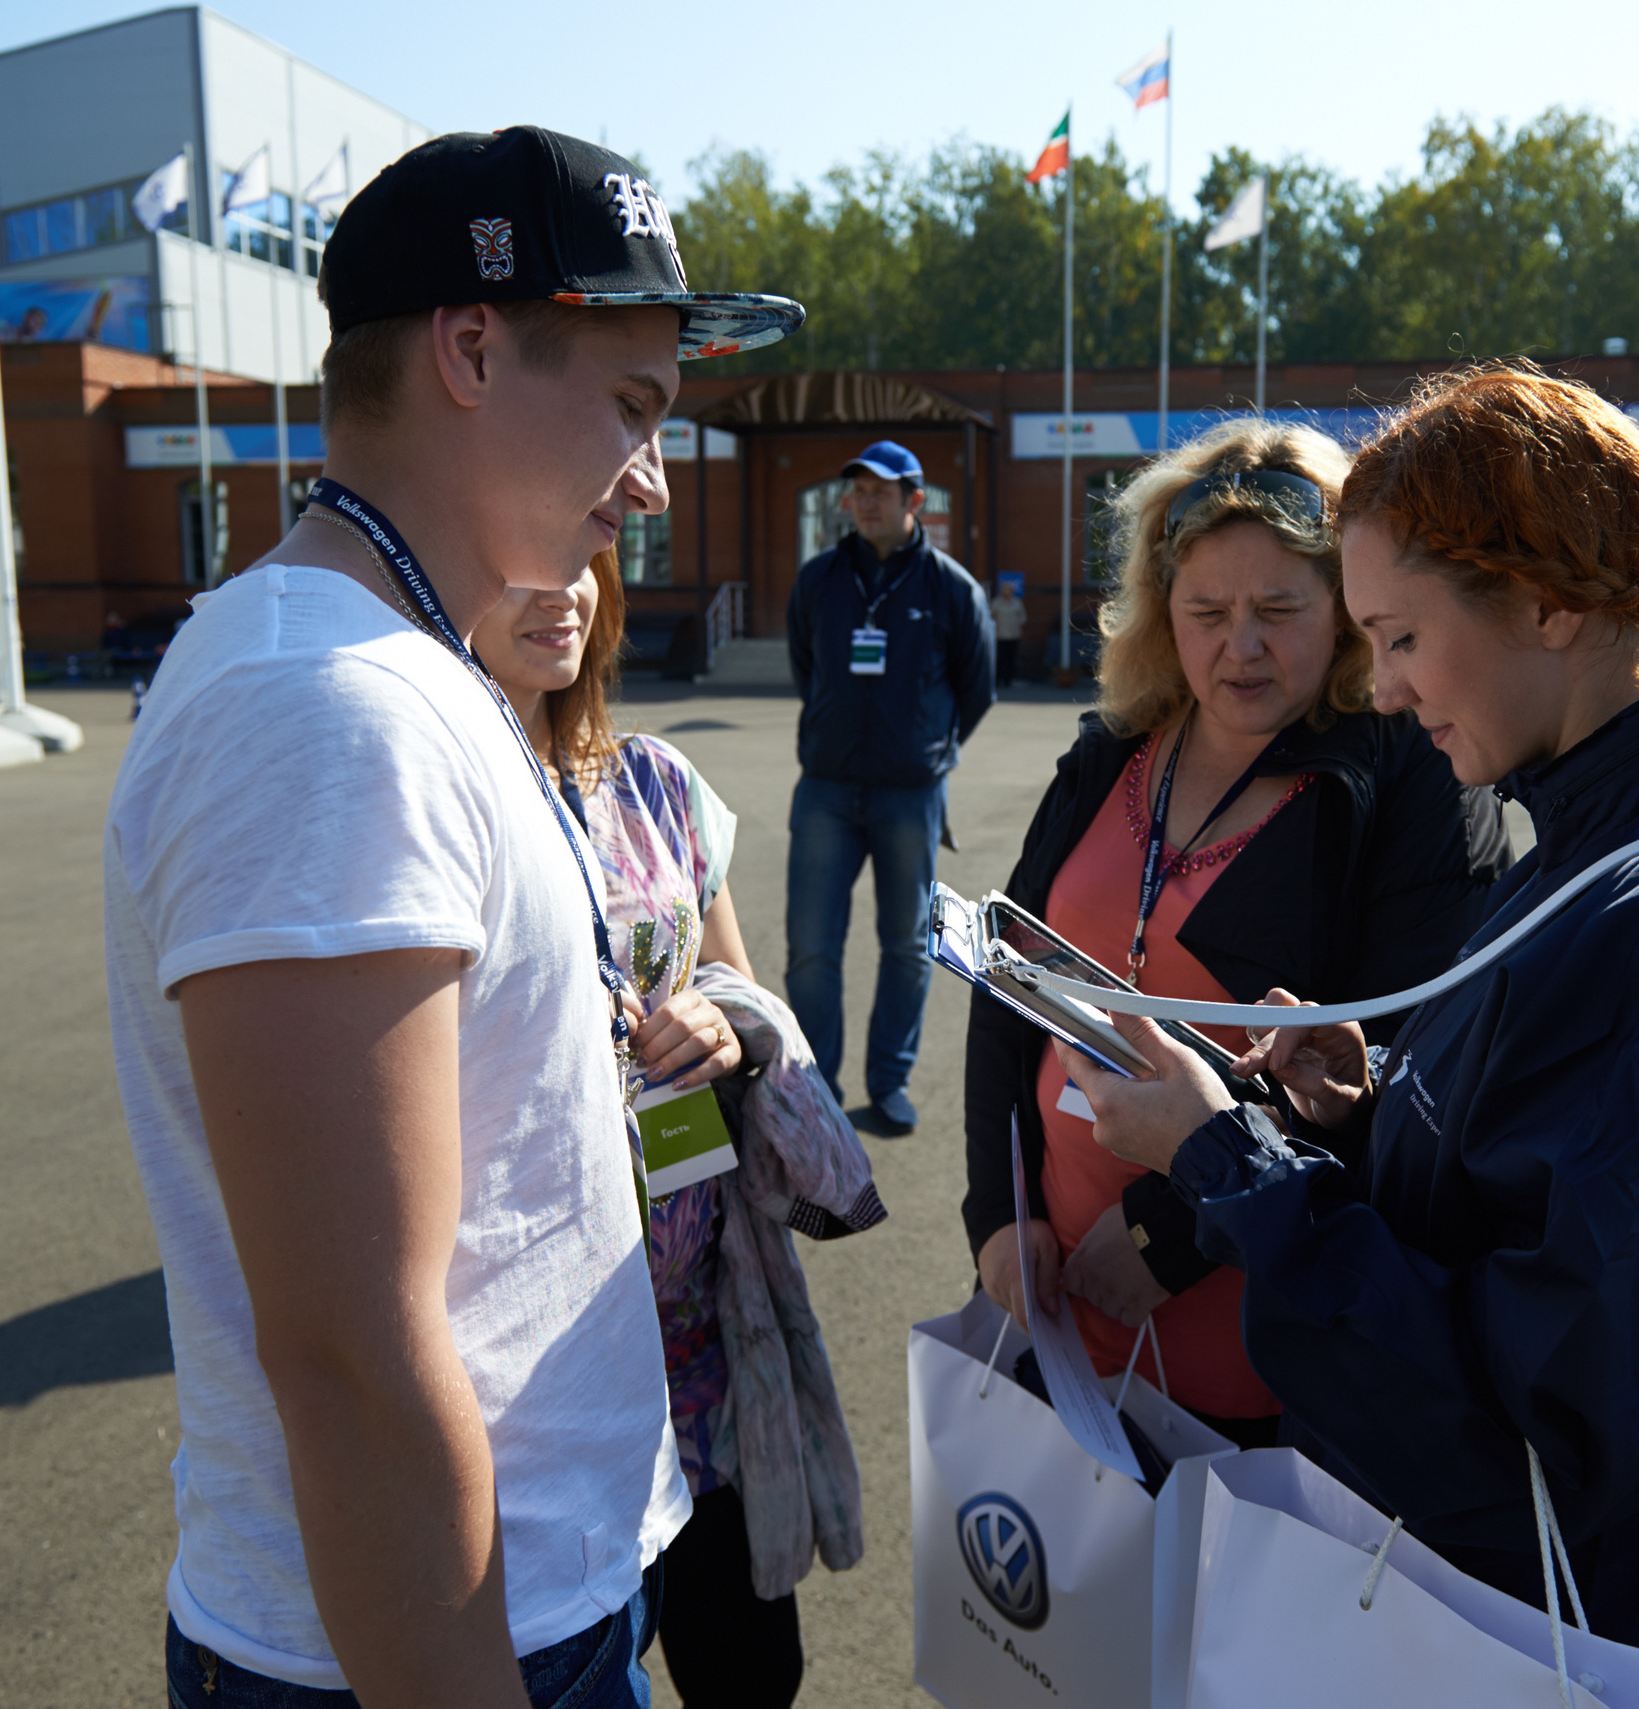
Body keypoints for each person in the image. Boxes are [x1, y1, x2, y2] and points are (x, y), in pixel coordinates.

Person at [104, 127, 802, 1709]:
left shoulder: (410, 673)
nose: (652, 476)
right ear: (472, 350)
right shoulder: (329, 708)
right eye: (631, 407)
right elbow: (354, 1361)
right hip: (446, 1646)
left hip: (540, 1584)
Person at [1065, 366, 1639, 1700]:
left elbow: (1532, 1429)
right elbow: (1549, 1201)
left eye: (1398, 636)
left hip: (1574, 1636)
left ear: (1547, 600)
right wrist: (1378, 1110)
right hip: (1516, 1615)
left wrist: (1227, 1162)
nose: (1381, 690)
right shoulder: (1602, 838)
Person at [964, 420, 1507, 1445]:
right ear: (1161, 610)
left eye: (1279, 610)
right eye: (1206, 612)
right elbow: (1007, 979)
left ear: (1346, 607)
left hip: (1255, 1343)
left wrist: (1163, 1238)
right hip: (1057, 1302)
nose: (1240, 646)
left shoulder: (1413, 780)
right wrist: (997, 1210)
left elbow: (1402, 1069)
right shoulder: (1112, 751)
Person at [475, 550, 882, 1709]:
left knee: (751, 1673)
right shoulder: (439, 807)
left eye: (578, 563)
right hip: (537, 1389)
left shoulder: (656, 783)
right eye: (516, 564)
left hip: (703, 1352)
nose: (557, 590)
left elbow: (739, 989)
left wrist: (720, 1019)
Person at [785, 439, 997, 1134]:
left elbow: (977, 688)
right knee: (811, 948)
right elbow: (807, 668)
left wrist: (927, 748)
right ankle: (816, 1087)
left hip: (911, 795)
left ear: (915, 500)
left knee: (906, 946)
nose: (865, 501)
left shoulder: (950, 589)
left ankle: (889, 1081)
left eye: (880, 490)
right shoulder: (820, 580)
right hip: (825, 791)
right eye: (858, 490)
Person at [990, 574, 1028, 688]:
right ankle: (997, 680)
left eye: (1009, 590)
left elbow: (1023, 617)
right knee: (999, 658)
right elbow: (990, 616)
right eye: (1005, 590)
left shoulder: (1017, 602)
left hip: (1013, 635)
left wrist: (1017, 622)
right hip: (999, 635)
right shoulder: (996, 602)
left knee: (1011, 658)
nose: (1007, 592)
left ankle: (1008, 680)